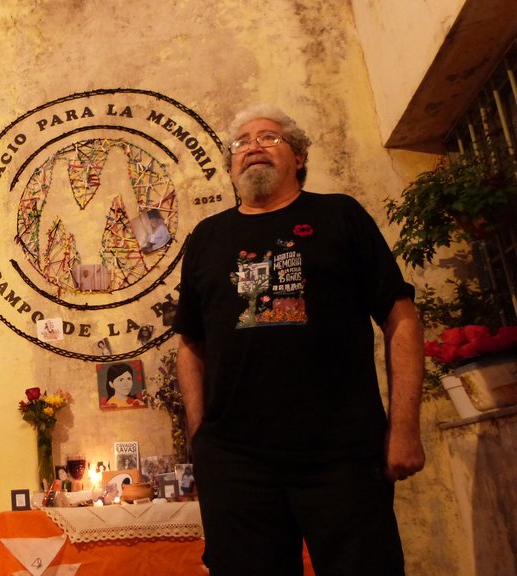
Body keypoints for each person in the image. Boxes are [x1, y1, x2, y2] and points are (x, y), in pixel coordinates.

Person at [173, 104, 425, 576]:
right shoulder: (207, 237)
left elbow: (401, 318)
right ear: (231, 165)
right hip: (235, 461)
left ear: (300, 157)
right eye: (241, 142)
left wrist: (405, 426)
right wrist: (200, 438)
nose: (253, 146)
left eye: (269, 137)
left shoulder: (340, 215)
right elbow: (191, 344)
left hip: (342, 454)